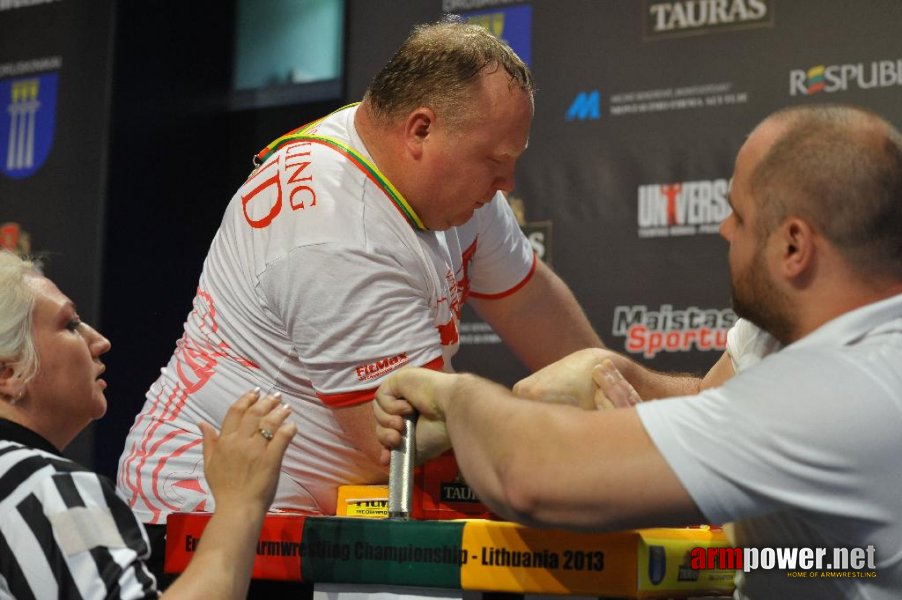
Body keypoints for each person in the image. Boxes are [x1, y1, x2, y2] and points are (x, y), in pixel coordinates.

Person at [116, 15, 603, 575]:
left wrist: (606, 387)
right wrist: (576, 431)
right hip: (202, 509)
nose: (507, 185)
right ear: (420, 130)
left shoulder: (445, 174)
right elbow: (401, 437)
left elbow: (531, 304)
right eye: (496, 163)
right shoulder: (334, 226)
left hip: (314, 507)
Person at [374, 104, 902, 599]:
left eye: (739, 217)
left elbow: (530, 474)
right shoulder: (791, 330)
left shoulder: (842, 391)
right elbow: (711, 399)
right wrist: (618, 373)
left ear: (793, 247)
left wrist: (454, 396)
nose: (723, 230)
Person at [0, 250, 296, 599]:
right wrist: (239, 502)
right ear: (9, 374)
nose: (99, 342)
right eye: (70, 325)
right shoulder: (49, 491)